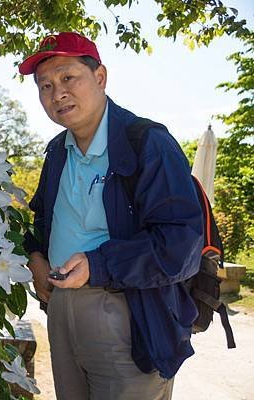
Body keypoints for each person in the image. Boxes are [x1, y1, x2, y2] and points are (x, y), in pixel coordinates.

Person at [20, 32, 203, 400]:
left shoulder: (148, 143)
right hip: (61, 309)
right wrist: (36, 256)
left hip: (128, 312)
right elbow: (43, 222)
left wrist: (98, 265)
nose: (57, 94)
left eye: (68, 77)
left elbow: (181, 245)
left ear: (100, 77)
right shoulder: (57, 151)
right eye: (45, 86)